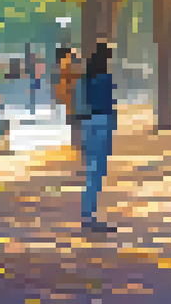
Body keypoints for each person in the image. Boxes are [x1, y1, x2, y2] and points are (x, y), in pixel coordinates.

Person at [71, 41, 118, 232]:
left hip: (87, 123)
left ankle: (88, 213)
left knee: (91, 169)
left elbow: (78, 105)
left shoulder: (84, 79)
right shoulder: (106, 79)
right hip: (102, 122)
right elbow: (109, 105)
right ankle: (90, 216)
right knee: (97, 171)